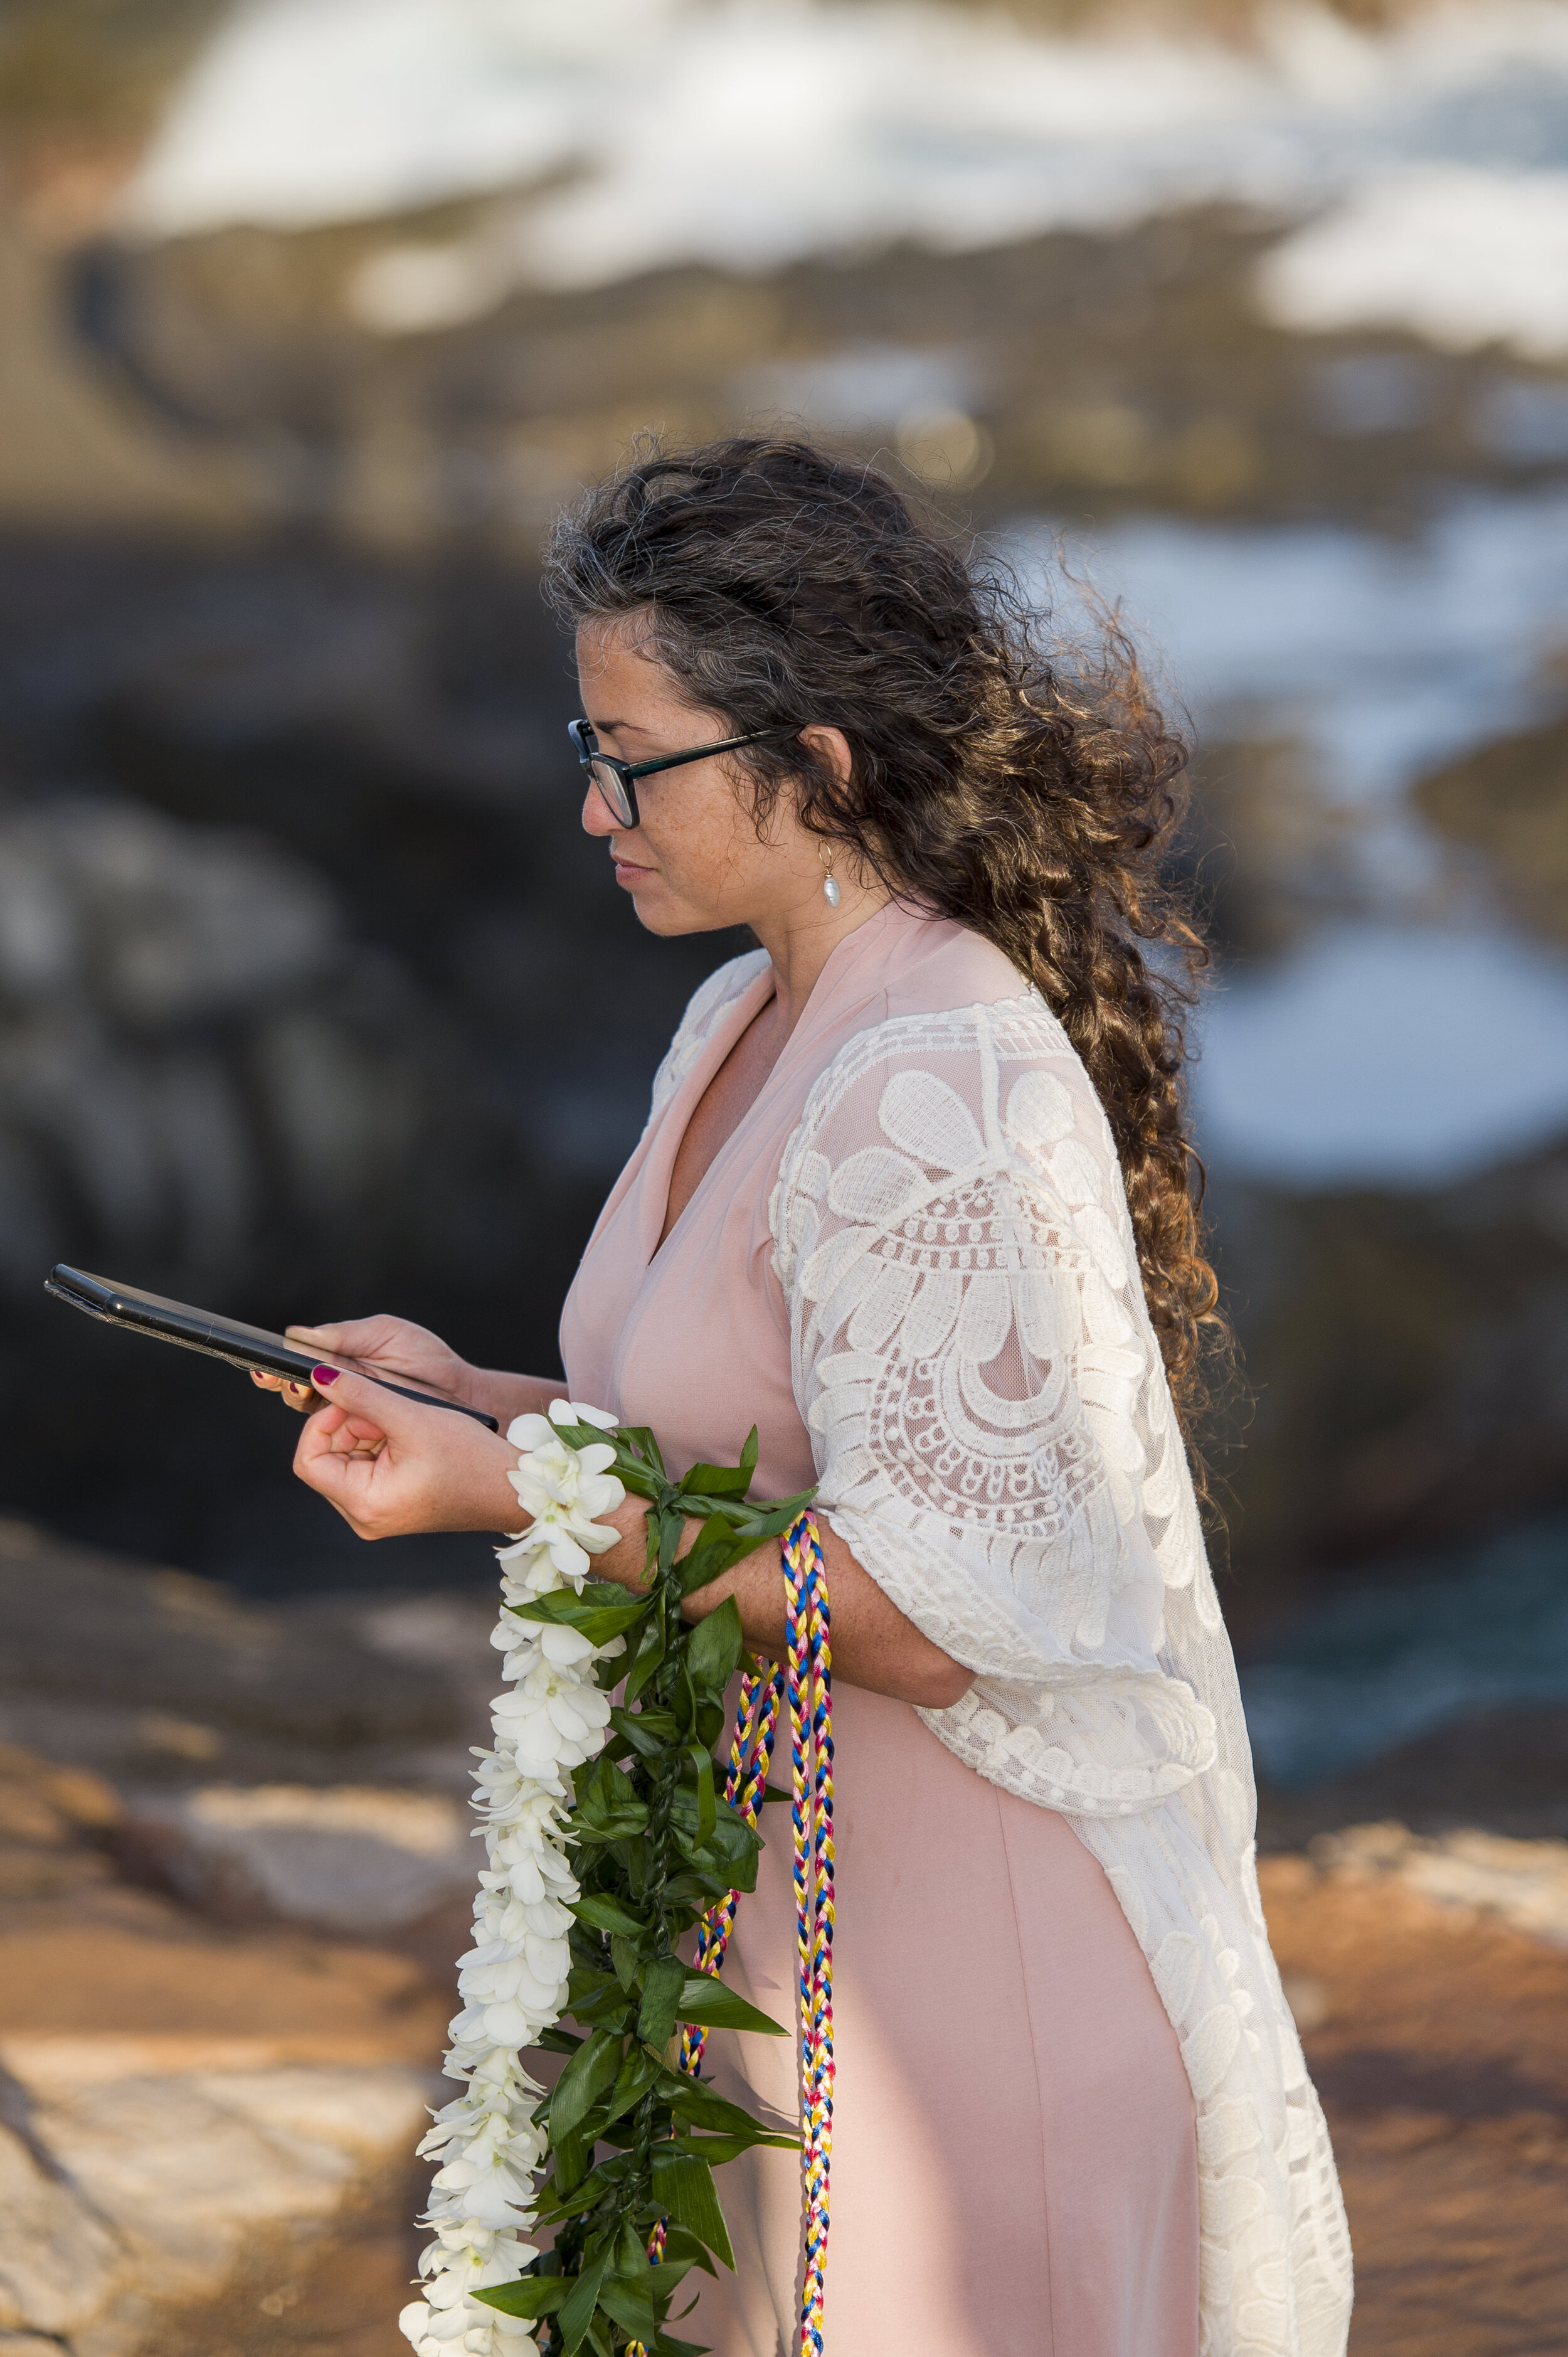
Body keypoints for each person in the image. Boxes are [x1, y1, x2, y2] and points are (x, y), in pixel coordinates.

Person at [257, 437, 1352, 2357]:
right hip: (785, 1934)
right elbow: (726, 1432)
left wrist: (506, 1495)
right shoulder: (743, 1012)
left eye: (634, 756)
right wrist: (473, 1397)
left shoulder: (938, 1080)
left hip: (950, 1996)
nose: (591, 805)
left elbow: (927, 1617)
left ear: (820, 763)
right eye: (579, 746)